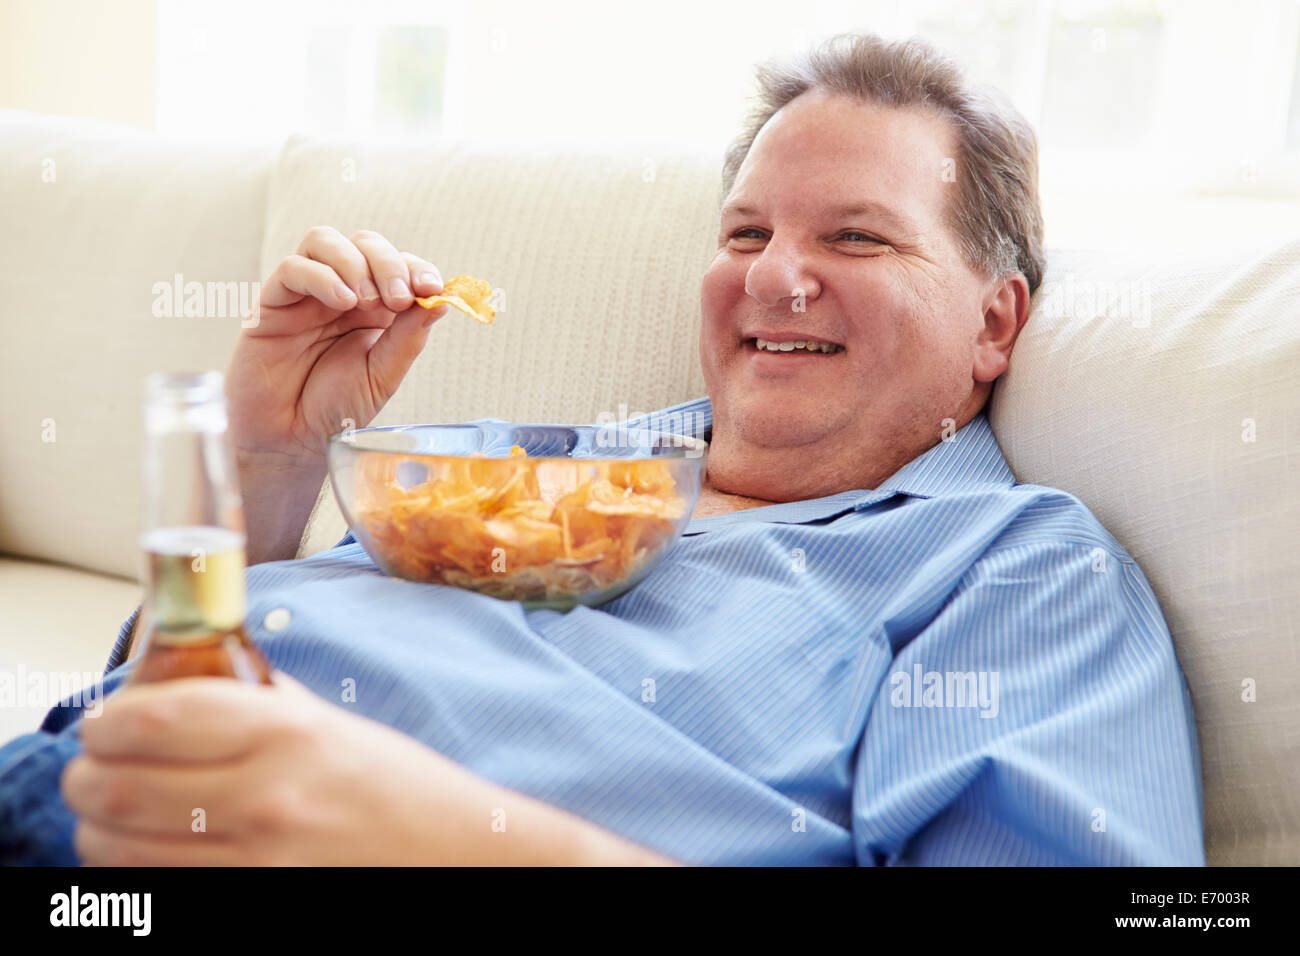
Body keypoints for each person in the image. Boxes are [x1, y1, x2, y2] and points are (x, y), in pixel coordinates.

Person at [0, 32, 1203, 866]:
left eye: (857, 237)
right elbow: (175, 678)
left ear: (995, 319)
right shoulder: (553, 459)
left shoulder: (1019, 571)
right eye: (744, 230)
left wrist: (417, 825)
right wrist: (269, 464)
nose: (775, 275)